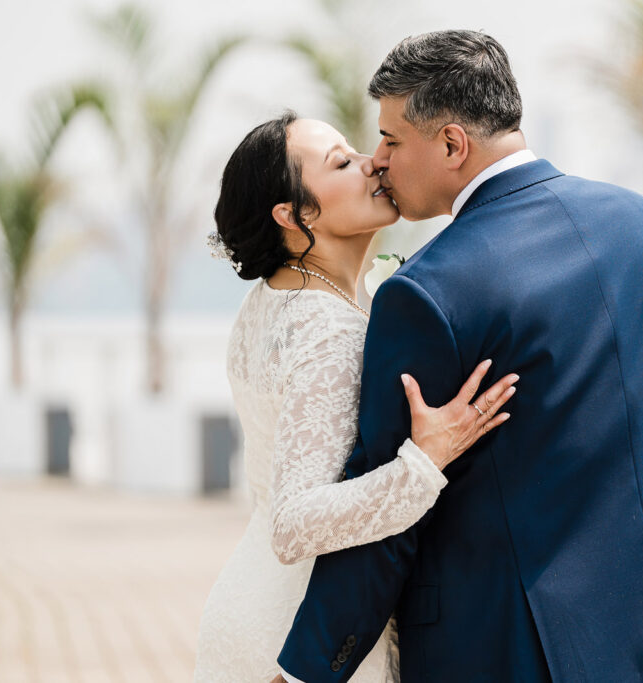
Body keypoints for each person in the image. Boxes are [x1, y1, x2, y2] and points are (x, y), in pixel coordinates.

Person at [275, 30, 643, 682]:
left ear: (452, 144)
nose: (379, 161)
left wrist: (306, 670)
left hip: (508, 656)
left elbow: (388, 523)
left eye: (392, 140)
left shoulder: (428, 293)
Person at [192, 111, 519, 682]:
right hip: (300, 635)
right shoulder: (328, 331)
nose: (373, 163)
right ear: (295, 215)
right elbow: (293, 524)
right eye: (341, 163)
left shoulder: (267, 304)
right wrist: (424, 462)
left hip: (249, 602)